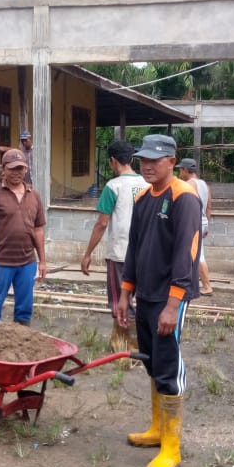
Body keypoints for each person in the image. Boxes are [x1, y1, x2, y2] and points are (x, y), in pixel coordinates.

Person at [116, 134, 201, 467]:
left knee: (168, 366)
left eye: (156, 159)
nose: (147, 165)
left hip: (169, 300)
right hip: (146, 296)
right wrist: (125, 293)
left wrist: (173, 304)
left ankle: (172, 448)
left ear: (172, 160)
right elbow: (134, 249)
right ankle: (156, 428)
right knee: (151, 363)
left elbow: (187, 253)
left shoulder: (184, 197)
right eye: (143, 159)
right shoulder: (142, 198)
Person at [81, 140, 150, 366]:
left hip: (121, 254)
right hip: (147, 253)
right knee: (143, 299)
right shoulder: (148, 184)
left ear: (112, 161)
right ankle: (136, 343)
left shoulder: (113, 186)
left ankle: (126, 349)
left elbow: (102, 223)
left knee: (120, 300)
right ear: (131, 159)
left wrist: (88, 253)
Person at [0, 148, 47, 324]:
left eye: (20, 168)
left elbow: (38, 229)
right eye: (12, 168)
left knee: (24, 309)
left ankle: (22, 339)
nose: (17, 173)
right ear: (4, 170)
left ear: (26, 169)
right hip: (1, 261)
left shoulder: (34, 196)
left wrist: (42, 261)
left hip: (27, 262)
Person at [176, 157, 213, 295]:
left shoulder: (189, 184)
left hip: (193, 222)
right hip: (202, 221)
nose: (180, 173)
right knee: (195, 253)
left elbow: (183, 205)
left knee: (198, 255)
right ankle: (194, 282)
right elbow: (209, 206)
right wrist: (206, 224)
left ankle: (207, 286)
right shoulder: (204, 184)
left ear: (186, 170)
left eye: (180, 169)